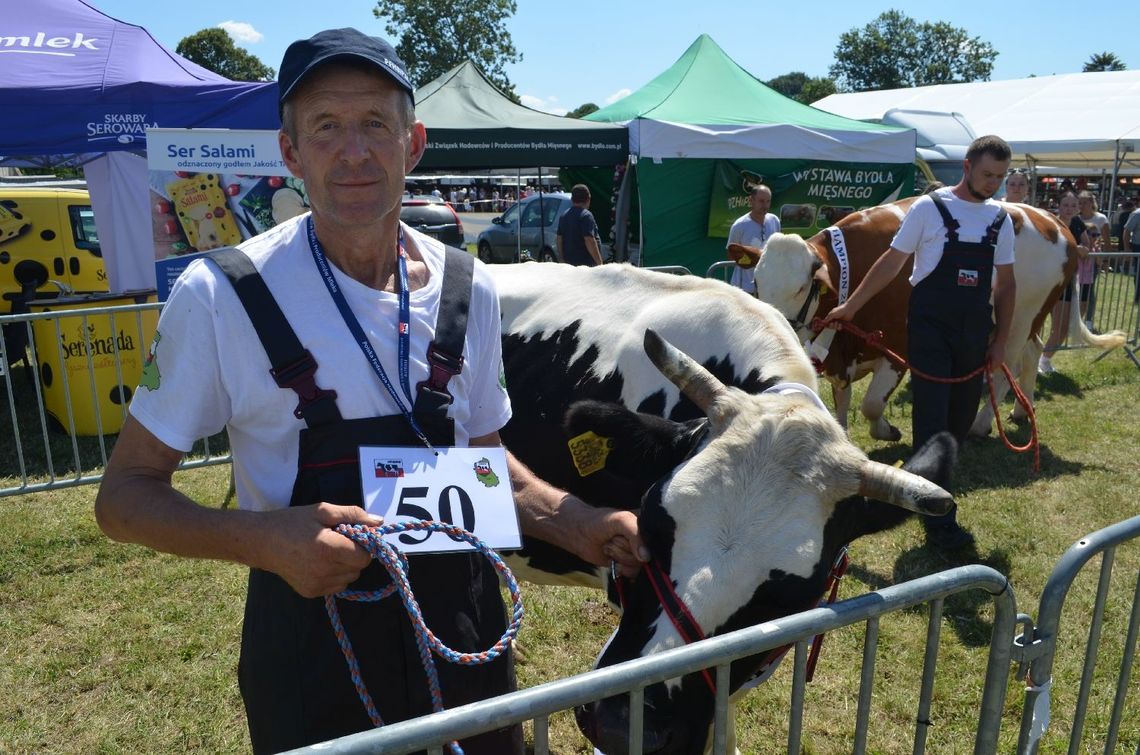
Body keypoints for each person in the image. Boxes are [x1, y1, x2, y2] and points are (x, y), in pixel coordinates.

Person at [94, 28, 645, 755]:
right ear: (290, 152)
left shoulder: (466, 286)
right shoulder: (224, 294)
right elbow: (123, 497)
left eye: (374, 125)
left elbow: (483, 465)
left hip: (462, 638)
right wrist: (266, 540)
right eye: (325, 127)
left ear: (412, 143)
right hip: (313, 657)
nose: (353, 152)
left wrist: (581, 523)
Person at [824, 135, 1017, 550]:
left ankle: (929, 493)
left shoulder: (999, 219)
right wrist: (852, 307)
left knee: (959, 421)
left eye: (1000, 177)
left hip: (973, 331)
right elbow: (890, 263)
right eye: (987, 175)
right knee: (931, 422)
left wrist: (1000, 341)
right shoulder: (930, 209)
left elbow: (1005, 285)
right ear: (967, 167)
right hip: (929, 330)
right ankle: (937, 515)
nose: (993, 184)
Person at [1040, 192, 1094, 374]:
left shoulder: (1078, 223)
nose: (1069, 209)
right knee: (1051, 326)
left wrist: (1085, 248)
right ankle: (1036, 360)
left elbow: (1087, 246)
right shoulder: (1052, 223)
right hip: (1054, 280)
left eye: (1073, 205)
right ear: (1059, 206)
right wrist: (1074, 249)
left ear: (1078, 207)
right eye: (1066, 205)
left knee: (1065, 327)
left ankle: (1044, 360)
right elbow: (1049, 249)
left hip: (1074, 280)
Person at [725, 184, 780, 294]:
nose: (765, 205)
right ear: (751, 201)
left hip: (768, 287)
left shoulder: (774, 220)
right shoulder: (739, 225)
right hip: (744, 288)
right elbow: (731, 255)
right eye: (761, 201)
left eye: (768, 201)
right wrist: (750, 258)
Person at [1076, 191, 1109, 325]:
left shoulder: (1101, 219)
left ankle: (1088, 320)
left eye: (1085, 202)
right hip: (1075, 260)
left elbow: (1107, 241)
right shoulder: (1075, 218)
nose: (1082, 205)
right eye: (1080, 202)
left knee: (1089, 290)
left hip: (1092, 260)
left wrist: (1105, 261)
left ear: (1092, 203)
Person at [556, 183, 603, 266]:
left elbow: (559, 239)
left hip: (569, 265)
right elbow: (589, 240)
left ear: (572, 199)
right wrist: (600, 263)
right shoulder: (586, 215)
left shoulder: (564, 215)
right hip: (585, 266)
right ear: (588, 199)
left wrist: (561, 259)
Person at [1123, 201, 1140, 303]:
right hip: (1138, 247)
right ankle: (1137, 298)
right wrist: (1127, 249)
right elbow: (1127, 232)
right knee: (1139, 274)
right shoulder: (1137, 214)